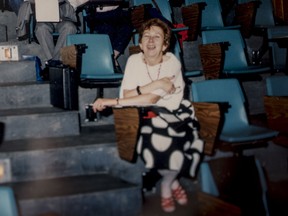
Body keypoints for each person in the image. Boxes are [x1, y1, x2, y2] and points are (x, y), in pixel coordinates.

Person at [92, 18, 204, 213]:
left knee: (182, 148)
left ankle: (168, 184)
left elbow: (150, 99)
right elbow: (127, 95)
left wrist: (112, 102)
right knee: (158, 146)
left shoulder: (173, 63)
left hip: (176, 114)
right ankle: (171, 182)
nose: (151, 41)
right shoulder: (134, 61)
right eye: (147, 36)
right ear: (141, 44)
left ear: (165, 45)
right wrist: (157, 84)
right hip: (144, 115)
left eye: (157, 37)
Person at [85, 3, 133, 72]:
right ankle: (112, 60)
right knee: (107, 29)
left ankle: (112, 56)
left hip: (116, 12)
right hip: (97, 14)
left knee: (127, 26)